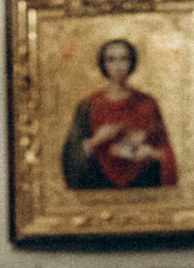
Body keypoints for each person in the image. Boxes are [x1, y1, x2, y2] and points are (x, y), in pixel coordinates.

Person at [62, 37, 178, 190]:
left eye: (124, 59)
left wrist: (150, 153)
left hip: (143, 185)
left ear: (132, 63)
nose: (118, 66)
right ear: (103, 64)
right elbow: (70, 159)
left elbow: (166, 154)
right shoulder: (87, 106)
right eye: (111, 59)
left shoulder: (147, 104)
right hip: (98, 185)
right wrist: (97, 140)